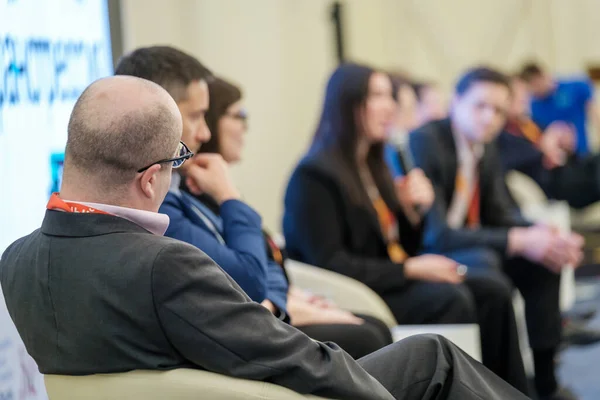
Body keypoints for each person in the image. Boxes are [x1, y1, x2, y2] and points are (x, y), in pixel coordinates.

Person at [0, 74, 530, 400]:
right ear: (149, 177)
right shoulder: (162, 266)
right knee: (429, 358)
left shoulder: (16, 260)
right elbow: (298, 360)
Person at [283, 63, 529, 394]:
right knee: (451, 299)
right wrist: (412, 269)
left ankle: (511, 392)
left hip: (386, 278)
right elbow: (332, 263)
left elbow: (399, 244)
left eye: (390, 96)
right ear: (348, 104)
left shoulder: (374, 165)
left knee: (492, 292)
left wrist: (411, 214)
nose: (391, 106)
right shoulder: (314, 176)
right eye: (378, 96)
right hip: (354, 292)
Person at [128, 55, 392, 358]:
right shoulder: (167, 205)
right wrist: (230, 197)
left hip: (254, 320)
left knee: (376, 330)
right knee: (370, 337)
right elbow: (251, 277)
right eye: (236, 115)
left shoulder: (185, 191)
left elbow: (269, 263)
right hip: (233, 339)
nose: (205, 134)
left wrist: (276, 302)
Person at [409, 66, 584, 400]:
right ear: (456, 102)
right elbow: (437, 236)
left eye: (499, 110)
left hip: (470, 245)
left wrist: (543, 236)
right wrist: (520, 240)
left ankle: (545, 384)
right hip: (428, 253)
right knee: (489, 264)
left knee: (544, 260)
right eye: (480, 106)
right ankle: (506, 389)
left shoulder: (484, 147)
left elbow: (500, 214)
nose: (489, 117)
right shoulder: (426, 142)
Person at [498, 75, 600, 209]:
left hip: (574, 168)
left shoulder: (528, 124)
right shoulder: (501, 135)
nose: (524, 99)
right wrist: (544, 148)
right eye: (519, 96)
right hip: (559, 184)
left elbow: (553, 138)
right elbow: (512, 160)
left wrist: (564, 140)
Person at [520, 62, 599, 155]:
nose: (535, 91)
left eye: (535, 85)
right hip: (556, 157)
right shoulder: (534, 105)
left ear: (542, 76)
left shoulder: (575, 88)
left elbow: (596, 115)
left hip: (581, 151)